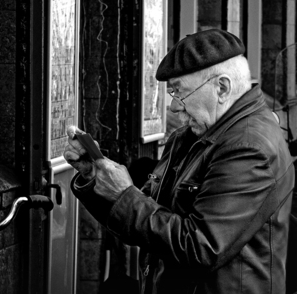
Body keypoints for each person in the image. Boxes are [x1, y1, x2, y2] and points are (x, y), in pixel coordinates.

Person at [64, 29, 295, 294]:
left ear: (222, 87)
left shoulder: (248, 147)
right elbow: (144, 222)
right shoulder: (191, 136)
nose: (174, 108)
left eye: (179, 93)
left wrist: (125, 196)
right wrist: (96, 177)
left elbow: (201, 247)